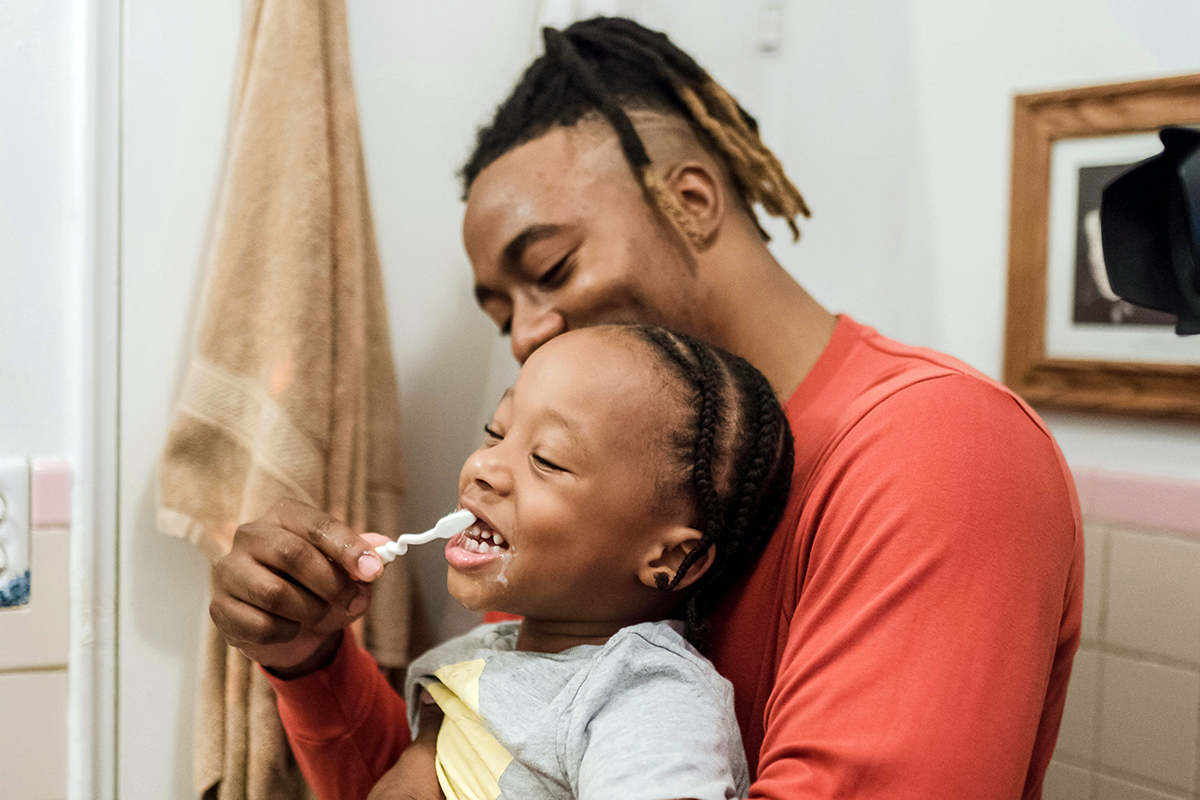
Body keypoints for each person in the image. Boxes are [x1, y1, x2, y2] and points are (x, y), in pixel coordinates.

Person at [209, 16, 1083, 800]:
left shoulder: (938, 449)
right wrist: (309, 657)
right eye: (502, 312)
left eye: (549, 269)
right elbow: (461, 777)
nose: (527, 335)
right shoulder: (596, 493)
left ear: (692, 200)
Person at [395, 324, 792, 799]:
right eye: (495, 433)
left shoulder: (647, 697)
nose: (483, 467)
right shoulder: (478, 652)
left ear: (667, 557)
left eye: (547, 459)